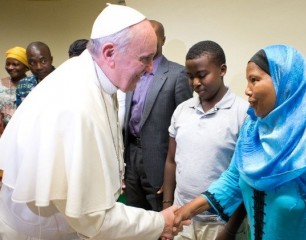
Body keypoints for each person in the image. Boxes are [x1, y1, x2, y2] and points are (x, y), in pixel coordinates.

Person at [0, 4, 189, 240]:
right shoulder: (75, 103)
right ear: (109, 53)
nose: (151, 68)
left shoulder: (93, 77)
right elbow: (93, 219)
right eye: (145, 59)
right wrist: (159, 222)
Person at [173, 44, 306, 240]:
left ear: (284, 81)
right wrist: (185, 211)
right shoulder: (253, 129)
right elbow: (233, 178)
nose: (247, 90)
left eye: (254, 80)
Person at [162, 40, 248, 240]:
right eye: (190, 77)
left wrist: (230, 230)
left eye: (201, 75)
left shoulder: (243, 114)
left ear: (222, 70)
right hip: (182, 218)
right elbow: (171, 160)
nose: (195, 83)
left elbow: (244, 179)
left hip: (222, 222)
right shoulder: (182, 110)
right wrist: (167, 207)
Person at [123, 19, 193, 211]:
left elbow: (185, 127)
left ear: (163, 39)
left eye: (153, 38)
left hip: (160, 161)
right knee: (134, 215)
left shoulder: (178, 74)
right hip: (131, 156)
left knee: (160, 219)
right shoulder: (131, 72)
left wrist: (173, 173)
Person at [15, 41, 55, 107]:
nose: (39, 67)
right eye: (33, 63)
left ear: (51, 60)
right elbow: (20, 114)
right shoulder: (23, 85)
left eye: (43, 61)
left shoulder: (64, 81)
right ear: (28, 64)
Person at [0, 46, 29, 127]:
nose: (10, 67)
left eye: (15, 64)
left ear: (26, 67)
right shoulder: (0, 84)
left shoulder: (33, 85)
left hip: (24, 130)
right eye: (7, 64)